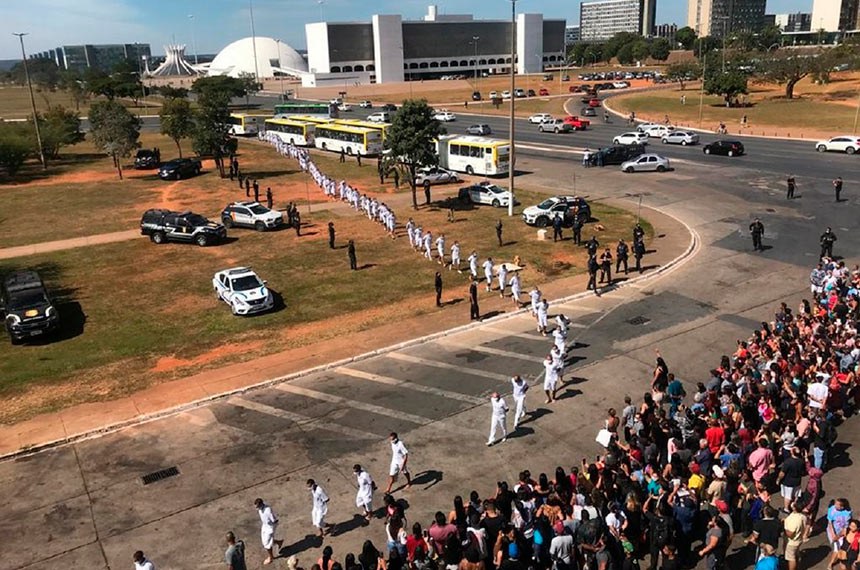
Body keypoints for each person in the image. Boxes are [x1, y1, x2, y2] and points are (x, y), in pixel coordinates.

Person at [254, 498, 282, 565]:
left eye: (257, 507)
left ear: (261, 504)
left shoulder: (268, 510)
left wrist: (273, 525)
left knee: (267, 544)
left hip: (270, 527)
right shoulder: (260, 509)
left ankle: (271, 557)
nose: (256, 508)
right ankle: (279, 542)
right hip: (265, 526)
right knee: (265, 541)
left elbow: (274, 520)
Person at [783, 502, 806, 570]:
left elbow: (790, 534)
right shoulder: (802, 516)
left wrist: (784, 528)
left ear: (794, 508)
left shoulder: (795, 520)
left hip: (791, 542)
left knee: (791, 558)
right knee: (796, 554)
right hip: (798, 539)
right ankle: (798, 566)